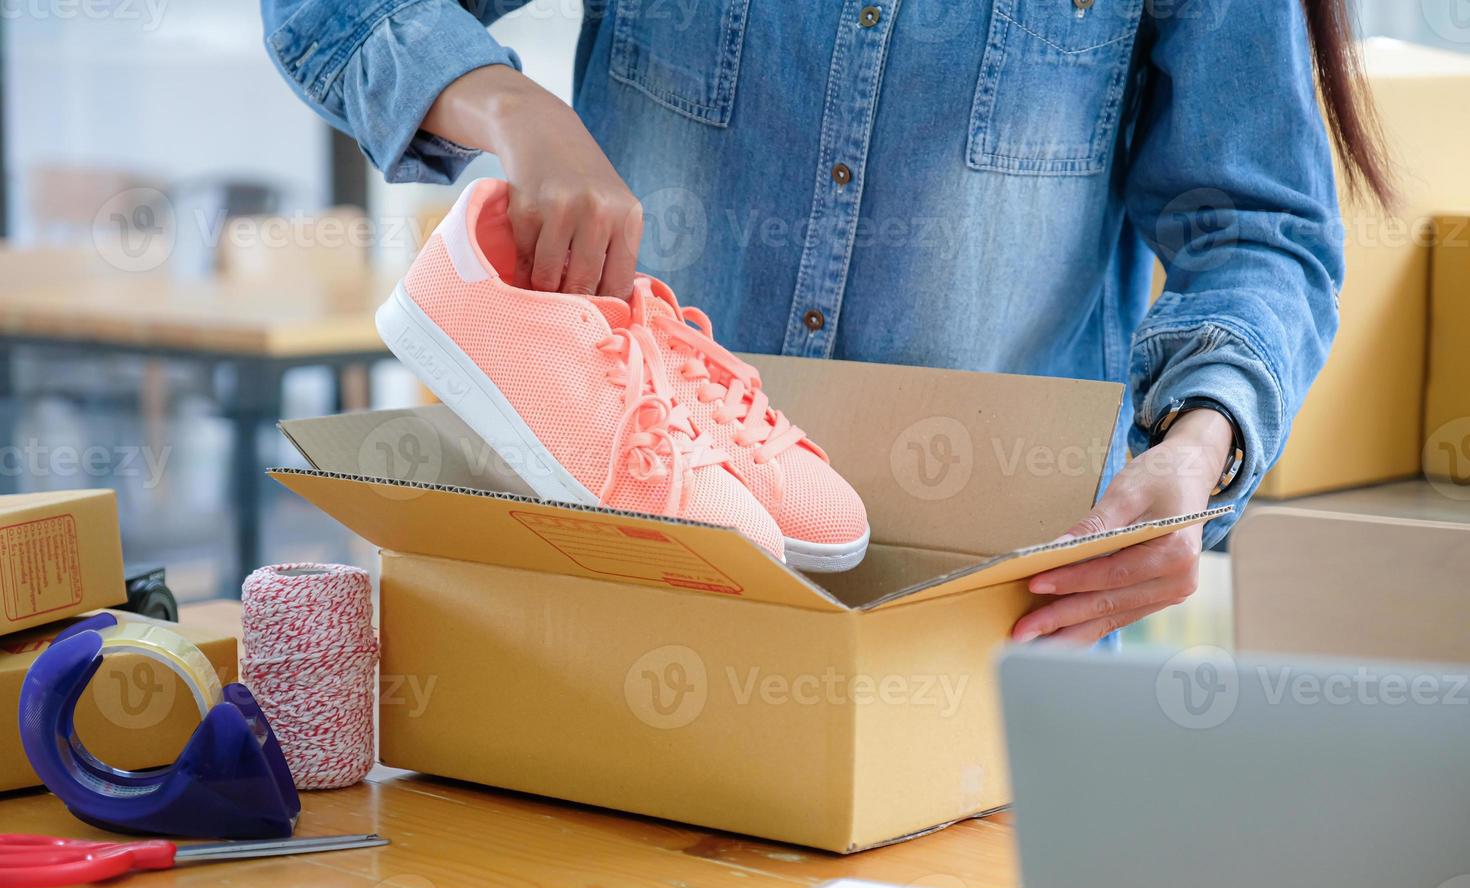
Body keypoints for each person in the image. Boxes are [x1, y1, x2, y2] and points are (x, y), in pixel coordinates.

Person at [260, 0, 1387, 644]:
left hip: (991, 622)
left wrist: (1195, 450)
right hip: (629, 592)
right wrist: (514, 106)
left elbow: (1256, 227)